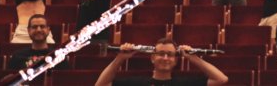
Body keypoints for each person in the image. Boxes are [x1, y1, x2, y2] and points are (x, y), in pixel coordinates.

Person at [95, 38, 228, 86]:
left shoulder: (185, 83)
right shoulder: (136, 82)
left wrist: (193, 57)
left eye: (170, 55)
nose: (165, 58)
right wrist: (120, 58)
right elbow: (101, 84)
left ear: (176, 60)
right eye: (160, 54)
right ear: (152, 58)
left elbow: (221, 79)